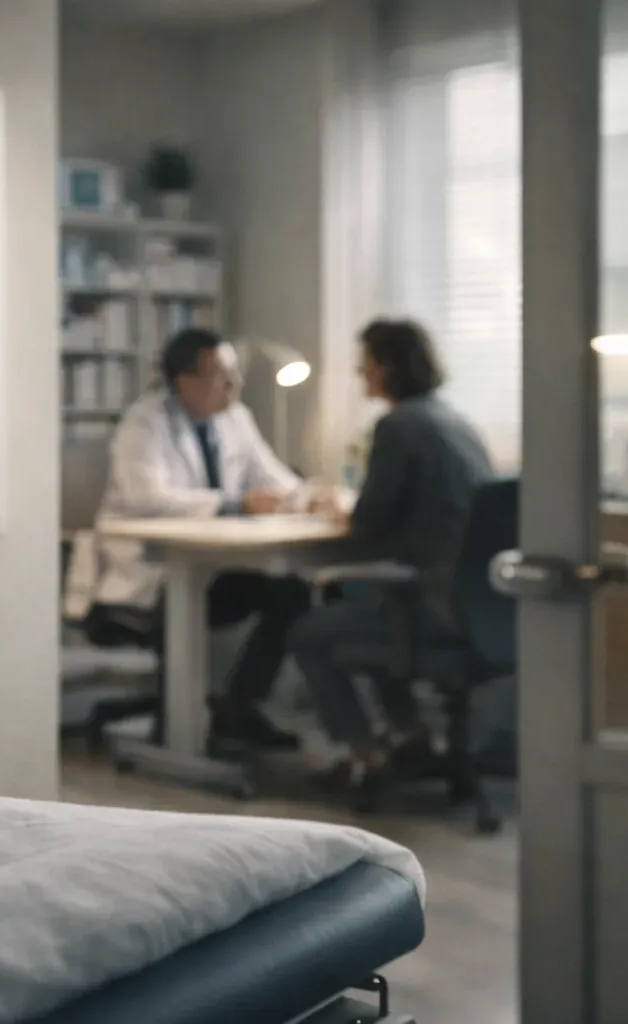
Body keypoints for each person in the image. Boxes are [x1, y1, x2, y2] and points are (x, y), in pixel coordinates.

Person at [290, 318, 493, 808]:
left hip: (433, 608)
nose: (360, 372)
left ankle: (366, 754)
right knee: (369, 604)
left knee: (307, 634)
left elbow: (369, 523)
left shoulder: (398, 426)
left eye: (365, 363)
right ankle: (412, 734)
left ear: (385, 368)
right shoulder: (455, 422)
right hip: (480, 609)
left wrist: (337, 510)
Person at [91, 327, 315, 752]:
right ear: (184, 382)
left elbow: (274, 477)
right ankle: (182, 737)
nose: (235, 384)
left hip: (213, 568)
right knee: (194, 601)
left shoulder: (235, 417)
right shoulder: (144, 423)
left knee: (292, 593)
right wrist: (235, 503)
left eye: (235, 374)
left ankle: (238, 709)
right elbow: (147, 497)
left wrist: (307, 497)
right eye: (222, 376)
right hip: (153, 574)